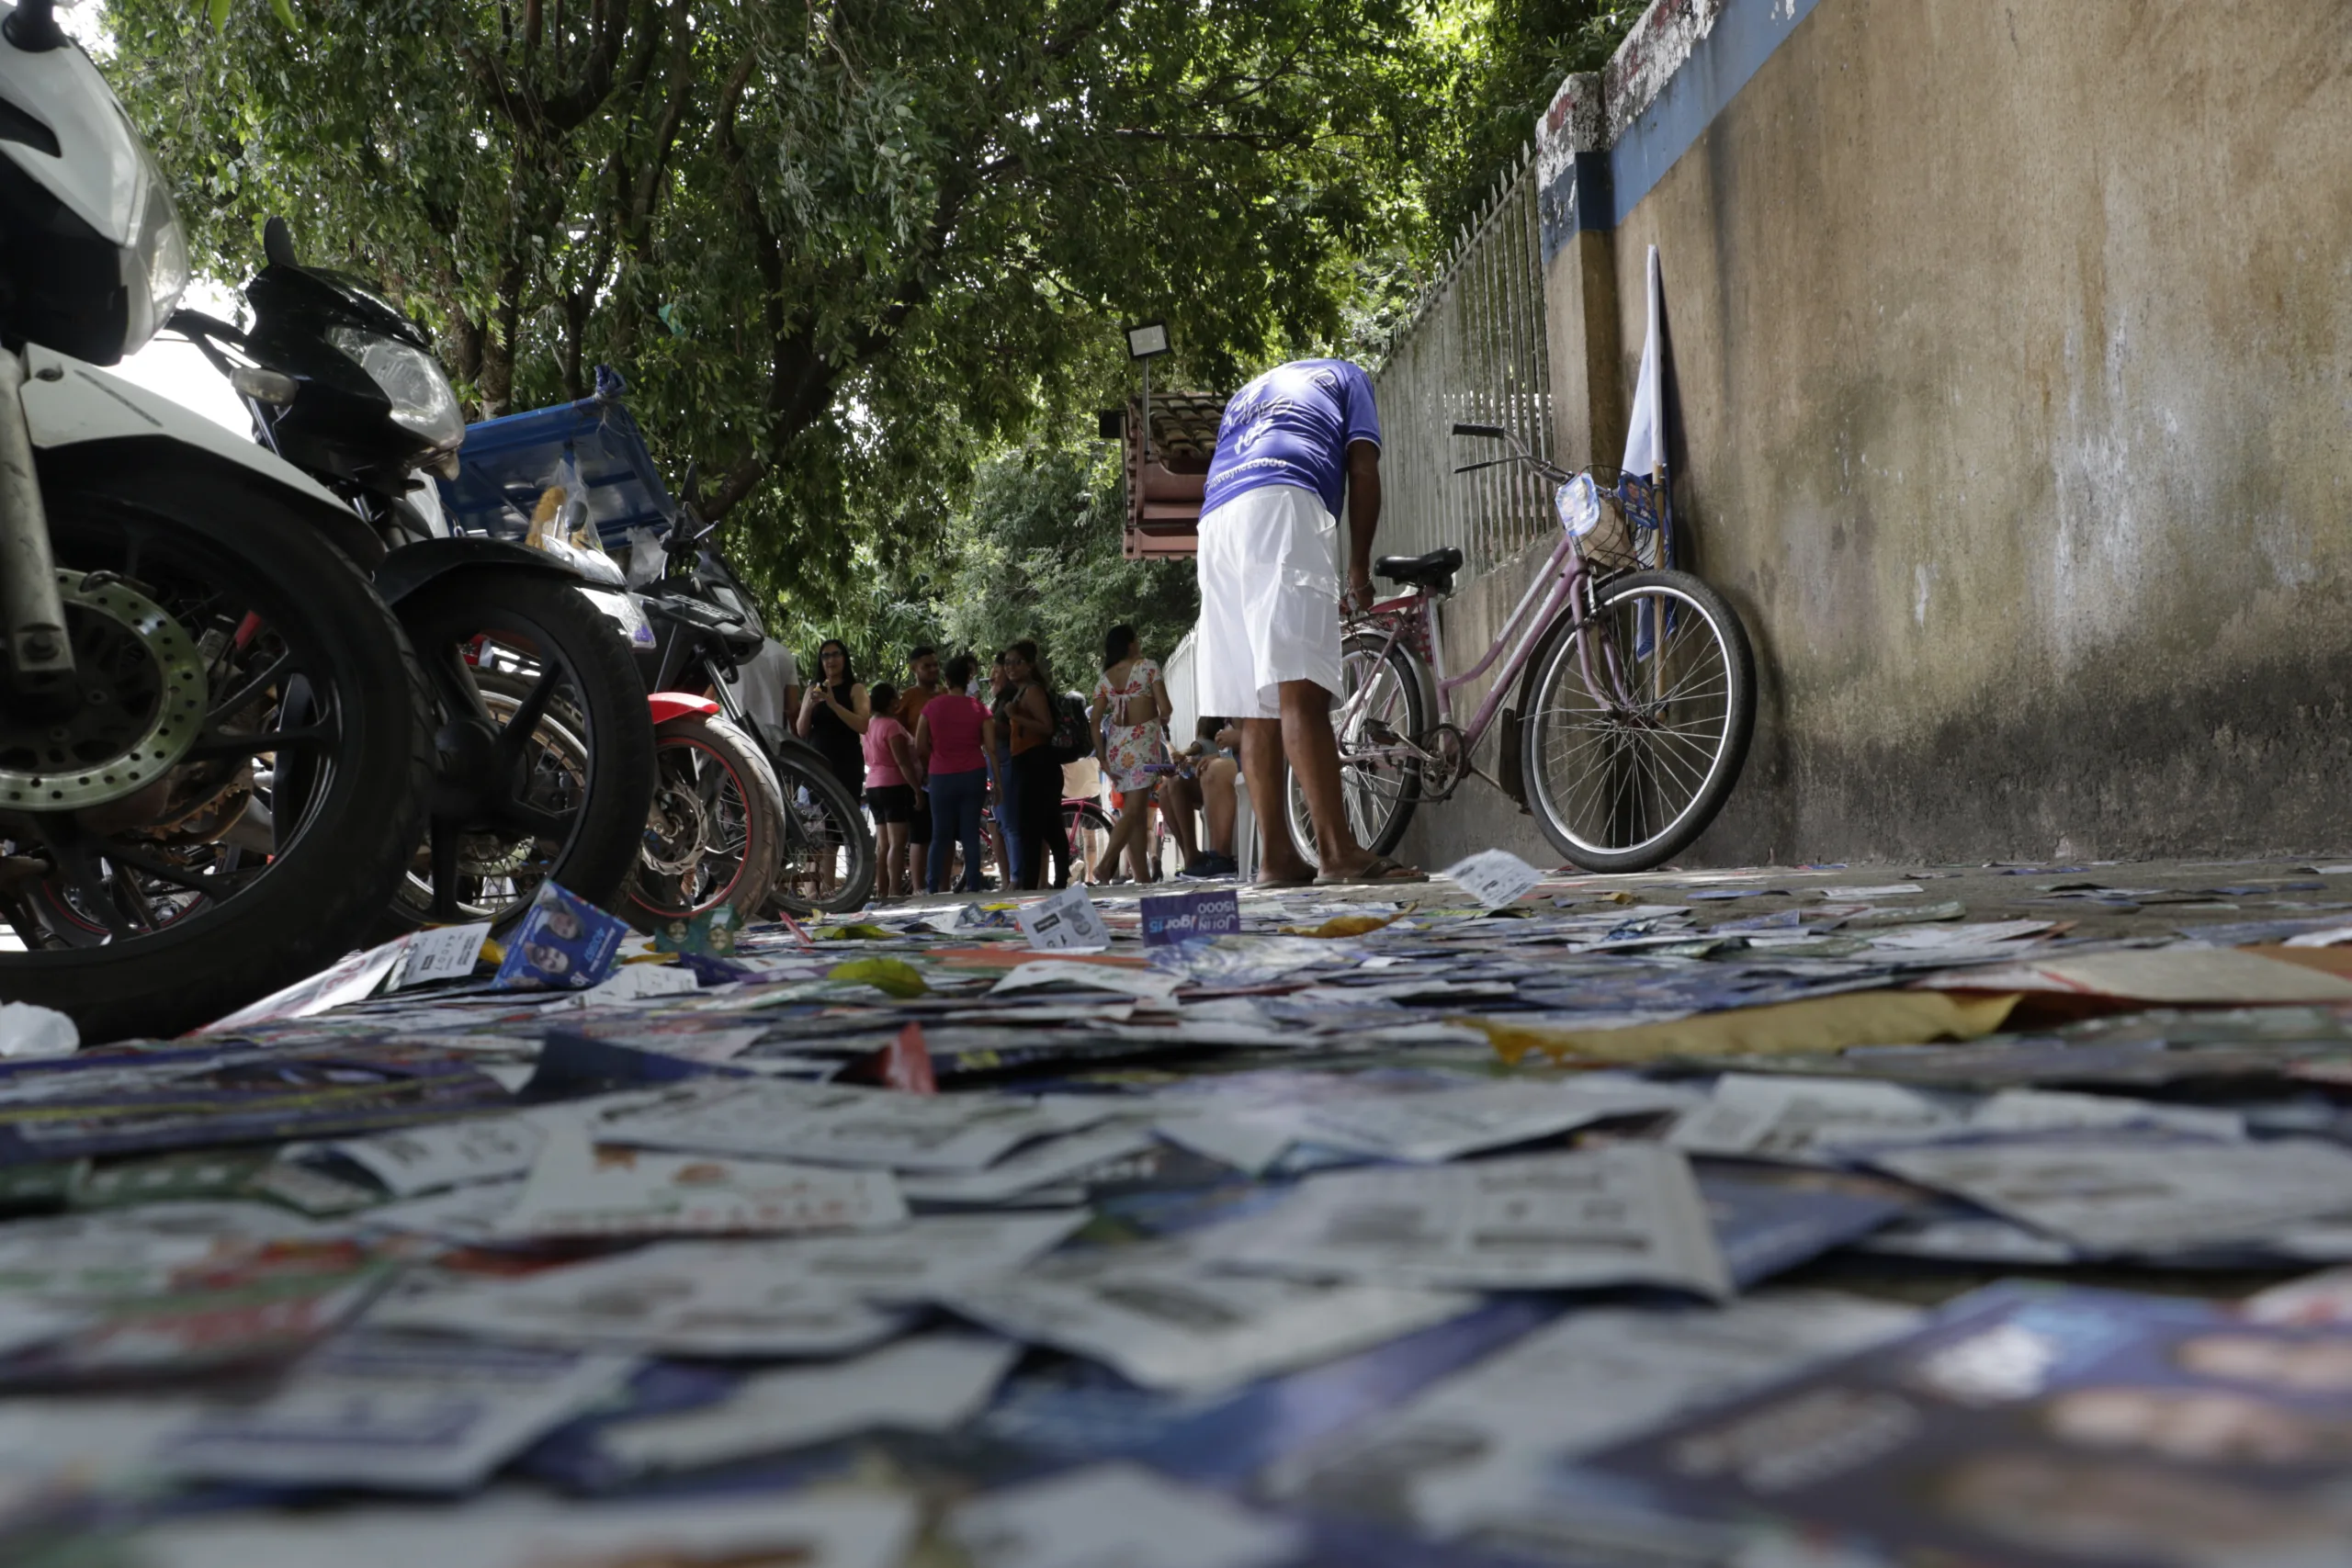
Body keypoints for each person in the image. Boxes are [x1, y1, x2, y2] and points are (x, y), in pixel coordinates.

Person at [1195, 358, 1423, 886]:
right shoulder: (1348, 377)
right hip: (1281, 502)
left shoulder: (1248, 393)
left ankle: (1275, 860)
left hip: (1217, 520)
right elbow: (1363, 470)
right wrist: (1360, 568)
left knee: (1258, 708)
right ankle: (1338, 852)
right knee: (1301, 693)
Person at [1088, 625, 1171, 885]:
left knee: (1132, 814)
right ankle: (1104, 866)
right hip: (1141, 745)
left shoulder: (1105, 679)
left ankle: (1142, 878)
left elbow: (1094, 721)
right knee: (1136, 811)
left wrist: (1101, 756)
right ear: (1130, 644)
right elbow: (1166, 708)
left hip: (1115, 747)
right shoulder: (1148, 667)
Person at [795, 638, 868, 897]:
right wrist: (811, 704)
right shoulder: (811, 688)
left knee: (838, 826)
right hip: (816, 764)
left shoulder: (855, 688)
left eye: (836, 654)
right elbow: (802, 730)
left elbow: (863, 725)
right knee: (816, 826)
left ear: (845, 658)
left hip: (846, 762)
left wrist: (833, 703)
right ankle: (813, 891)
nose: (831, 660)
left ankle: (831, 889)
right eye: (825, 656)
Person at [915, 653, 992, 893]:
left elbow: (919, 745)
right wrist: (996, 780)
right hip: (973, 774)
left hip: (941, 776)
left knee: (940, 834)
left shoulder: (931, 708)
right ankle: (974, 885)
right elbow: (990, 747)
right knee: (970, 832)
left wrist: (933, 761)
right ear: (968, 678)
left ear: (946, 679)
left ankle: (931, 886)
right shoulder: (979, 709)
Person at [996, 639, 1069, 890]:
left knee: (1041, 826)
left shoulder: (1033, 691)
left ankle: (1051, 882)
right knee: (1036, 825)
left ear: (1029, 665)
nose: (1011, 668)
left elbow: (1046, 727)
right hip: (1023, 762)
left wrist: (1015, 715)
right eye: (1007, 663)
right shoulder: (1016, 692)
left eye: (1018, 662)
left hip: (1039, 762)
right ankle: (1039, 883)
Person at [860, 681, 921, 898]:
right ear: (888, 702)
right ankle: (895, 890)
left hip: (873, 785)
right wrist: (917, 789)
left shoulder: (866, 726)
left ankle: (882, 890)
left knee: (883, 844)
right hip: (893, 784)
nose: (899, 701)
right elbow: (902, 762)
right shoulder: (892, 726)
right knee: (897, 842)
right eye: (895, 697)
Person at [1159, 716, 1242, 877]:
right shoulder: (1225, 721)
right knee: (1168, 787)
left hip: (1236, 772)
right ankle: (1191, 856)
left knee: (1213, 769)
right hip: (1221, 770)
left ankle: (1220, 857)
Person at [895, 647, 943, 897]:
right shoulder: (909, 697)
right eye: (927, 666)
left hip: (946, 772)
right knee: (920, 834)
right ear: (914, 669)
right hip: (920, 778)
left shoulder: (946, 694)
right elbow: (896, 735)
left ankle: (943, 887)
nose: (934, 669)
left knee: (943, 833)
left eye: (936, 664)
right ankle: (918, 888)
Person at [985, 649, 1023, 886]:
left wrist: (986, 728)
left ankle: (1017, 878)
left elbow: (1012, 730)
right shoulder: (999, 700)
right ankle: (1011, 879)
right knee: (1000, 824)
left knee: (1009, 824)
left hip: (1005, 764)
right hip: (997, 764)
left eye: (995, 673)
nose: (992, 678)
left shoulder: (1011, 698)